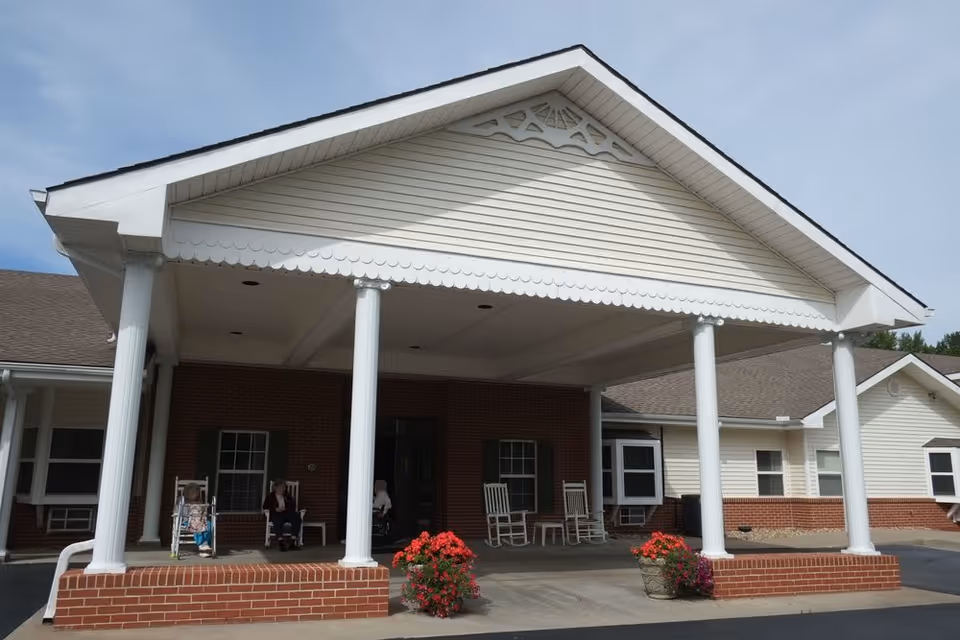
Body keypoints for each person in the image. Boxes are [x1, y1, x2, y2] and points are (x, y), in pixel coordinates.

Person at [262, 479, 301, 551]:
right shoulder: (270, 496)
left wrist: (287, 507)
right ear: (276, 488)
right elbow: (265, 506)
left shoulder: (287, 496)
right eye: (281, 488)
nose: (283, 489)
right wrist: (275, 509)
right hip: (276, 513)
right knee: (277, 520)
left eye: (284, 488)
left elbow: (293, 506)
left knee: (296, 517)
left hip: (286, 513)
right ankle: (281, 541)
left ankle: (292, 540)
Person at [182, 483, 213, 558]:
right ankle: (202, 545)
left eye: (196, 492)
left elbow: (204, 513)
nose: (195, 494)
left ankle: (206, 543)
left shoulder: (200, 503)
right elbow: (183, 515)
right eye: (193, 493)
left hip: (201, 519)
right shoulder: (184, 503)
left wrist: (204, 508)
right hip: (189, 520)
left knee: (209, 524)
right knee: (197, 524)